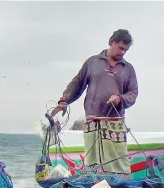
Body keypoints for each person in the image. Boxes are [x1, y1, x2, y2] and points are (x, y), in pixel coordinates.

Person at [50, 29, 139, 175]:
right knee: (93, 161)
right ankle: (96, 186)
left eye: (126, 50)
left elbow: (133, 93)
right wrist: (63, 101)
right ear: (112, 42)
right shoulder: (92, 62)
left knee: (119, 162)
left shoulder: (128, 69)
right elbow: (77, 84)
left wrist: (119, 99)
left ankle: (121, 185)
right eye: (120, 48)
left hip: (115, 122)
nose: (122, 52)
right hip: (93, 120)